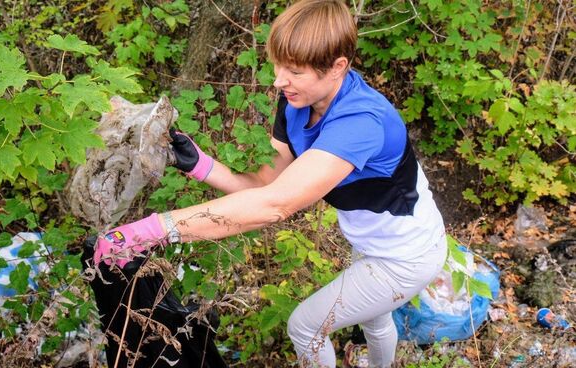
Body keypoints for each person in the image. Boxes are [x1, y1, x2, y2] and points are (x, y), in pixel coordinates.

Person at [92, 0, 447, 367]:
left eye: (294, 70)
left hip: (407, 255)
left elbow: (275, 205)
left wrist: (153, 230)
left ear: (338, 66)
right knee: (375, 319)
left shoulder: (361, 122)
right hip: (372, 242)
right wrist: (200, 164)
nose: (279, 79)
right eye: (277, 64)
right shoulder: (296, 102)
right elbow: (266, 183)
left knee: (306, 327)